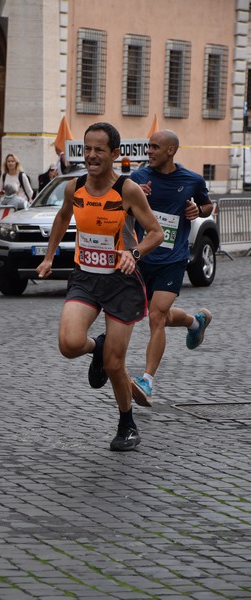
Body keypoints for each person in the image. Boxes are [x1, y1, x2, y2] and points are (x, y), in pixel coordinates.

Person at [36, 122, 164, 452]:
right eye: (87, 149)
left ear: (114, 154)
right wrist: (50, 257)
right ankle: (98, 346)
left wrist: (133, 254)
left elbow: (156, 232)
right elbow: (63, 218)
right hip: (86, 276)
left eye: (99, 150)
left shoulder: (127, 190)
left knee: (114, 364)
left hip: (122, 283)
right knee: (68, 343)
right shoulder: (74, 187)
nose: (91, 156)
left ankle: (127, 424)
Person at [129, 129, 214, 405]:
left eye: (154, 147)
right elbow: (121, 208)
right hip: (141, 257)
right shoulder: (138, 177)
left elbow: (207, 205)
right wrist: (134, 198)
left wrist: (197, 211)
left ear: (171, 150)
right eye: (148, 147)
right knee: (159, 317)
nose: (149, 152)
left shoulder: (192, 179)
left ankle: (147, 382)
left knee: (156, 316)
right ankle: (194, 321)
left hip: (172, 260)